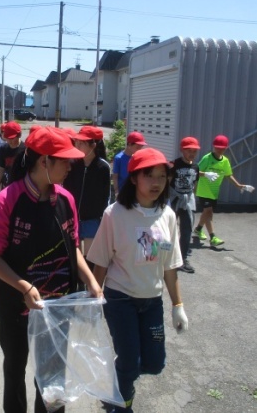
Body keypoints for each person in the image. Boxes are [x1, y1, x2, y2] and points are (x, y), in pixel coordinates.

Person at [0, 126, 103, 413]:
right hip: (16, 306)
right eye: (64, 160)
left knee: (52, 378)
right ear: (43, 161)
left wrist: (91, 281)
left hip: (57, 306)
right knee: (15, 367)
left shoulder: (65, 199)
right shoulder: (5, 202)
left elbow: (72, 246)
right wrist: (24, 286)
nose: (70, 166)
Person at [88, 147, 189, 413]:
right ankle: (121, 403)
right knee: (130, 361)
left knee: (155, 363)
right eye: (149, 176)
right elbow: (100, 260)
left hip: (152, 301)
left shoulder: (167, 215)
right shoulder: (115, 214)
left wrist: (178, 305)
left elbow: (170, 266)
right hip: (120, 299)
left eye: (162, 176)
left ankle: (121, 377)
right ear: (133, 178)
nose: (156, 182)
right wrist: (94, 298)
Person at [193, 134, 254, 247]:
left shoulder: (225, 161)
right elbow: (195, 171)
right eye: (217, 147)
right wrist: (205, 174)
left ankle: (198, 229)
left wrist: (239, 185)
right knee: (208, 212)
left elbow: (228, 175)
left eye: (222, 148)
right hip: (203, 190)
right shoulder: (207, 158)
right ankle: (213, 238)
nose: (219, 150)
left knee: (207, 212)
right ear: (214, 147)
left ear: (226, 148)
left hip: (214, 191)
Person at [63, 125, 111, 258]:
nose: (77, 145)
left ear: (93, 145)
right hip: (73, 218)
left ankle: (88, 279)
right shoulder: (72, 164)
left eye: (81, 143)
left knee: (90, 257)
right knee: (74, 255)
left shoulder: (103, 167)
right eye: (76, 142)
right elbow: (66, 190)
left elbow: (106, 195)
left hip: (92, 219)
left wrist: (102, 217)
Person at [169, 137, 200, 274]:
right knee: (168, 229)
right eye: (188, 150)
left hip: (187, 200)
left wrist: (193, 198)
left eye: (194, 151)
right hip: (174, 199)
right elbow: (167, 182)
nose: (191, 153)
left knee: (187, 230)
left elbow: (195, 185)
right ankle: (166, 257)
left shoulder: (196, 166)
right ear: (182, 150)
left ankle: (182, 259)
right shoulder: (174, 165)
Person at [112, 131, 147, 197]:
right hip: (123, 191)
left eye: (141, 147)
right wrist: (116, 191)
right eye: (137, 147)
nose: (139, 150)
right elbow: (115, 176)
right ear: (129, 144)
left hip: (136, 192)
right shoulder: (119, 158)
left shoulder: (138, 158)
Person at [0, 121, 25, 194]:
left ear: (19, 135)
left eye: (12, 138)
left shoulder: (25, 149)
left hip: (20, 189)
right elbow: (1, 168)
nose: (9, 141)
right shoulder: (3, 148)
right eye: (7, 138)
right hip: (6, 186)